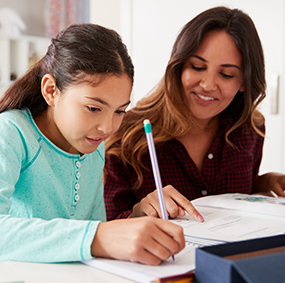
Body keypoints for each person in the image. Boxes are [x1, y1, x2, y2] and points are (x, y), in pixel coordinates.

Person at [0, 23, 185, 266]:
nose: (108, 127)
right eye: (94, 108)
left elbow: (93, 233)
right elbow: (92, 237)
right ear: (51, 90)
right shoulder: (12, 132)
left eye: (120, 111)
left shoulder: (93, 144)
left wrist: (136, 216)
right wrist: (98, 236)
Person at [104, 6, 285, 221]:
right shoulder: (126, 134)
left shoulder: (250, 129)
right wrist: (138, 211)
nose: (208, 85)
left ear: (244, 82)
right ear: (179, 68)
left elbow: (235, 196)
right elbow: (105, 226)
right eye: (198, 67)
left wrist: (262, 183)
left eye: (226, 75)